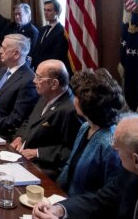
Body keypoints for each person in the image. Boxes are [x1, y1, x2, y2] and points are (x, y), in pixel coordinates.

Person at [55, 68, 124, 196]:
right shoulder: (85, 127)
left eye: (75, 97)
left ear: (88, 104)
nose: (73, 99)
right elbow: (69, 166)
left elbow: (110, 193)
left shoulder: (110, 143)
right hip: (65, 201)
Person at [10, 59, 82, 177]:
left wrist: (37, 153)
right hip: (22, 156)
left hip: (43, 167)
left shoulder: (70, 110)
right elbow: (29, 121)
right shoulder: (45, 95)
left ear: (54, 84)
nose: (34, 81)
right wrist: (20, 137)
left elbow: (71, 151)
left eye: (39, 77)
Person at [0, 33, 38, 140]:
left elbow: (17, 118)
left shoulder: (28, 81)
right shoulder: (2, 71)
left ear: (16, 54)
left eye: (4, 49)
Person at [30, 0, 70, 72]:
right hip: (38, 70)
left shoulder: (62, 31)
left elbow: (57, 55)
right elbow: (37, 50)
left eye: (49, 10)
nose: (45, 13)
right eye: (44, 10)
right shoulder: (42, 29)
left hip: (51, 70)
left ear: (57, 12)